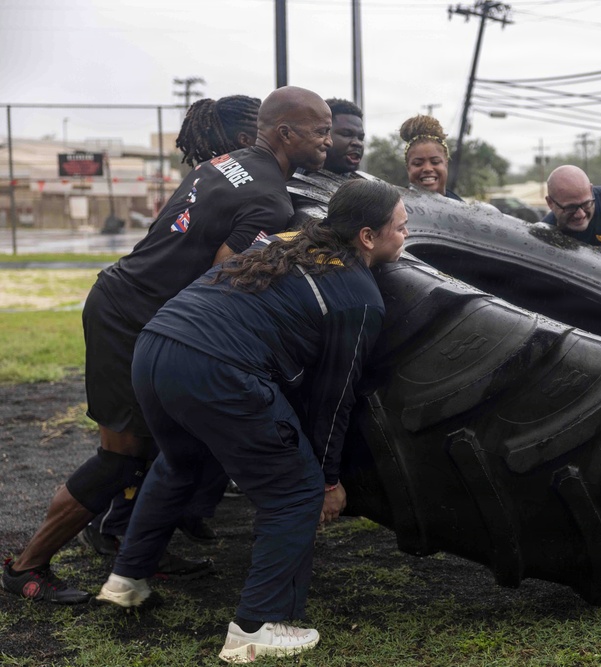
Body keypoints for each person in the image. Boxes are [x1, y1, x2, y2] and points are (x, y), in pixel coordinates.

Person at [2, 85, 334, 604]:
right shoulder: (270, 199)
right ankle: (27, 566)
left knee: (171, 446)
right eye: (321, 131)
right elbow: (223, 281)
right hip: (129, 317)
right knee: (122, 456)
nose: (327, 142)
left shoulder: (226, 163)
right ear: (286, 133)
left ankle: (131, 545)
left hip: (132, 303)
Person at [95, 179, 408, 664]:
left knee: (181, 462)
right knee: (295, 490)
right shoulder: (360, 295)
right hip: (216, 368)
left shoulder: (287, 239)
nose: (406, 236)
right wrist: (328, 479)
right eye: (401, 228)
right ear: (367, 237)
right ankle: (258, 627)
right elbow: (335, 397)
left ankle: (127, 578)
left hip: (157, 345)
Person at [80, 95, 264, 556]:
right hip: (127, 314)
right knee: (129, 446)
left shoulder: (217, 172)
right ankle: (108, 532)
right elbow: (222, 273)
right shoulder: (243, 184)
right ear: (247, 138)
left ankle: (152, 524)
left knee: (169, 431)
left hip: (145, 310)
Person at [287, 98, 368, 224]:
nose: (357, 143)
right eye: (346, 134)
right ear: (322, 134)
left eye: (360, 137)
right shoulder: (293, 189)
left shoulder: (368, 186)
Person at [399, 114, 463, 201]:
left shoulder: (462, 208)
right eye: (418, 163)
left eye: (435, 162)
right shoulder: (393, 206)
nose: (427, 169)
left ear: (446, 164)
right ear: (408, 168)